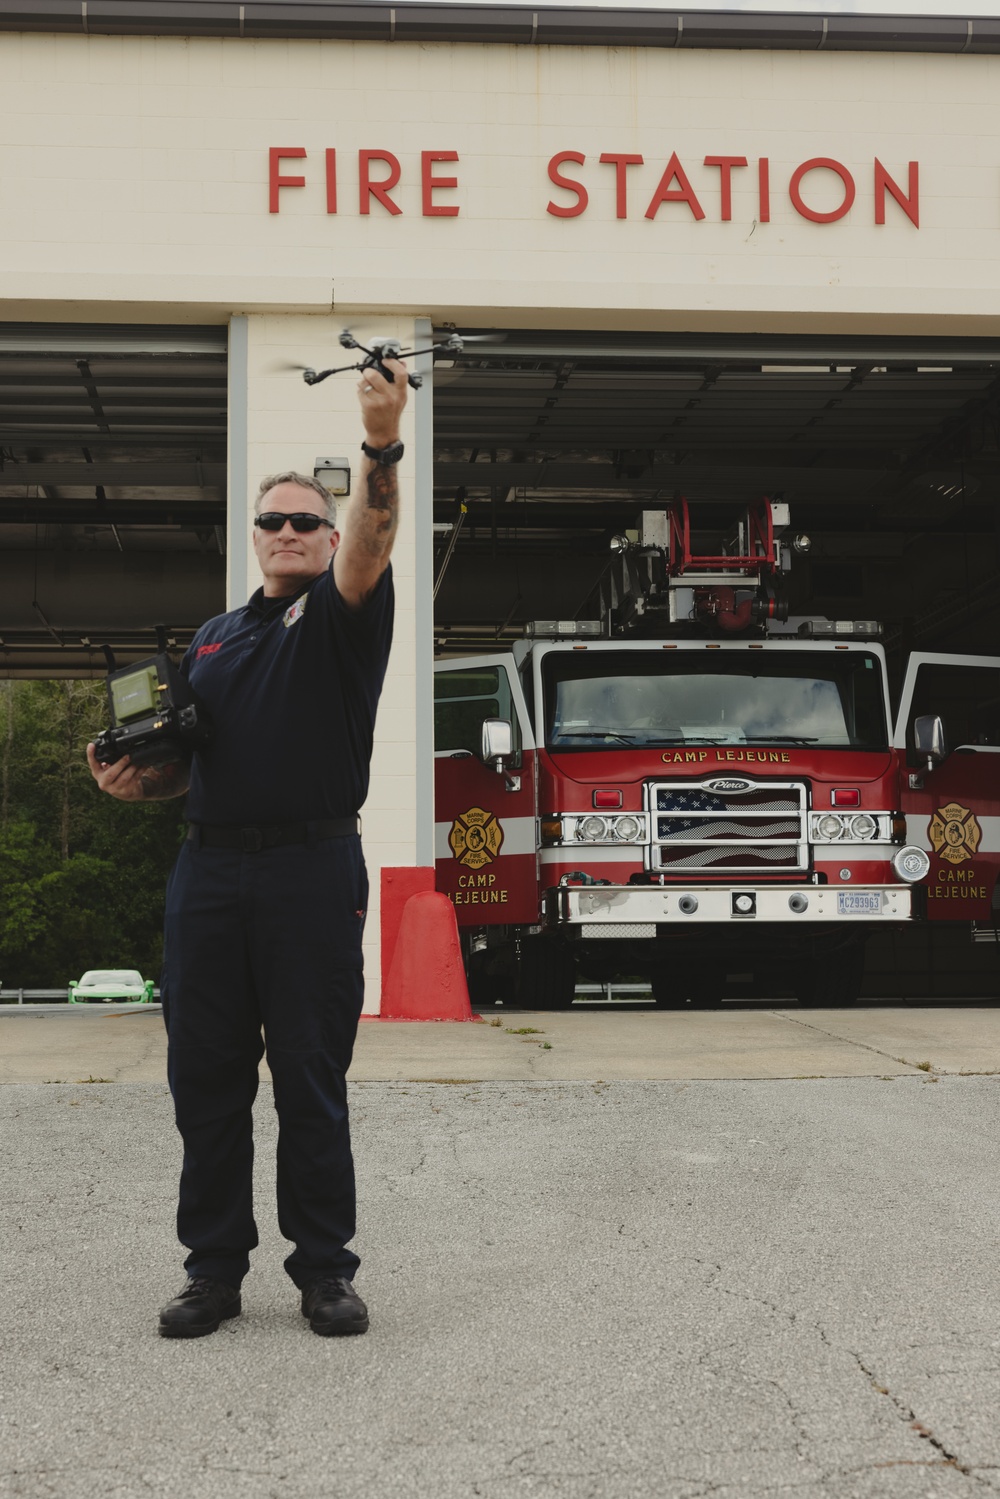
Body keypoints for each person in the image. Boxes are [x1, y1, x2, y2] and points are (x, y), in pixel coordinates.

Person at [87, 358, 409, 1338]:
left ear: (326, 534)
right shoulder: (216, 638)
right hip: (210, 873)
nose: (286, 532)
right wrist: (134, 780)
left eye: (304, 520)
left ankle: (324, 1273)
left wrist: (379, 438)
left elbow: (375, 529)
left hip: (310, 869)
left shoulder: (347, 614)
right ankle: (213, 1271)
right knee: (207, 1080)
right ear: (255, 536)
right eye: (271, 520)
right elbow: (189, 764)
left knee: (309, 1074)